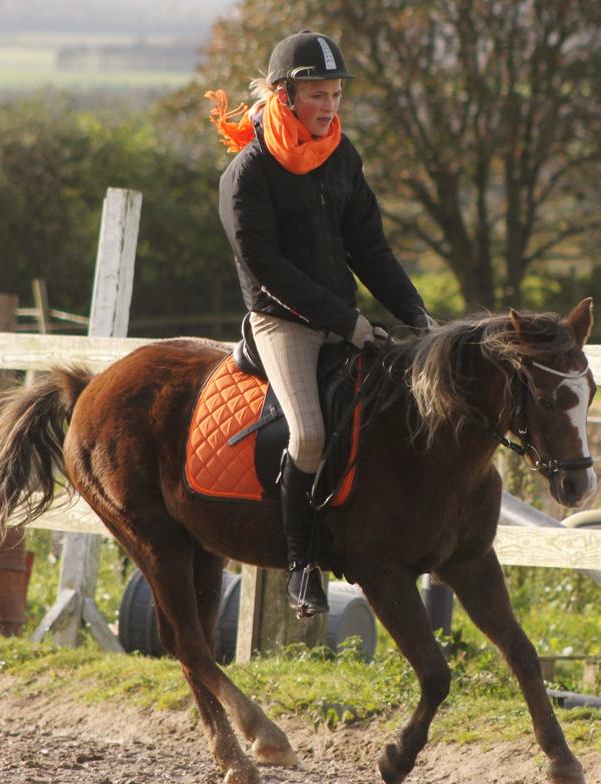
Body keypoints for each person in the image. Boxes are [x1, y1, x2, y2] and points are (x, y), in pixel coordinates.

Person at [206, 31, 434, 617]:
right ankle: (302, 563)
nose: (329, 106)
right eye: (317, 94)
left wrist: (417, 316)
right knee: (308, 436)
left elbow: (370, 248)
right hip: (281, 322)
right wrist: (347, 321)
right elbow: (267, 267)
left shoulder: (341, 154)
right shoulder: (247, 173)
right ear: (284, 96)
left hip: (345, 317)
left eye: (335, 94)